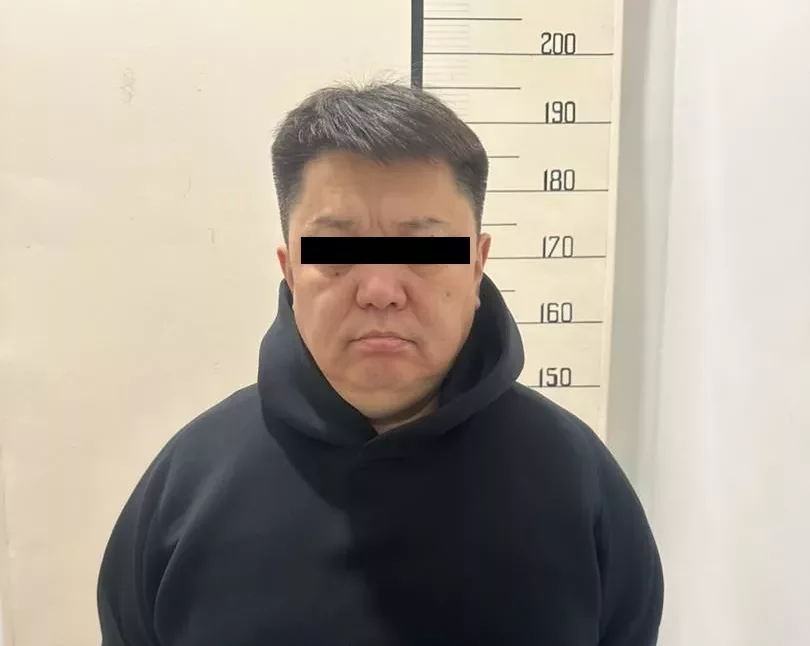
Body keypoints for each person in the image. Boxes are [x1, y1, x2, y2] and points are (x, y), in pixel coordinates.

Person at [97, 81, 664, 645]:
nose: (380, 290)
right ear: (290, 269)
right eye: (336, 249)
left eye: (425, 248)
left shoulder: (577, 481)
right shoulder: (187, 486)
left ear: (476, 265)